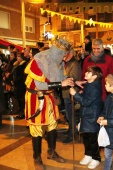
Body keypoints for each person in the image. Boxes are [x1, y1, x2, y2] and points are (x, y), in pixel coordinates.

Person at [24, 36, 75, 170]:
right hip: (35, 98)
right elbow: (40, 85)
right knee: (37, 129)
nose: (65, 58)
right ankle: (37, 158)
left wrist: (72, 81)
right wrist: (61, 83)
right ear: (57, 52)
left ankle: (51, 152)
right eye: (64, 55)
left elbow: (61, 77)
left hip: (49, 96)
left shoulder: (57, 61)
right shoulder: (39, 60)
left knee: (52, 125)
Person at [70, 66, 103, 169]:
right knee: (86, 137)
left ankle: (96, 157)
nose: (86, 73)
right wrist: (81, 94)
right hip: (86, 114)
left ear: (95, 76)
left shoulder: (95, 87)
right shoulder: (89, 84)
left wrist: (75, 94)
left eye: (89, 72)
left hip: (92, 115)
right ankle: (88, 154)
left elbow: (87, 102)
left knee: (93, 138)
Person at [62, 48, 82, 144]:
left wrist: (62, 79)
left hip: (71, 94)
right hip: (66, 93)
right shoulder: (67, 63)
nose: (64, 56)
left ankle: (72, 134)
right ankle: (70, 129)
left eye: (65, 53)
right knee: (68, 114)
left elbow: (74, 79)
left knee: (71, 116)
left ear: (71, 54)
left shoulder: (74, 65)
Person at [12, 52, 27, 119]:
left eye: (19, 56)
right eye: (17, 56)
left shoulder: (23, 64)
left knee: (21, 100)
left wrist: (15, 81)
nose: (17, 58)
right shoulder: (18, 64)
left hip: (21, 84)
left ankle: (22, 113)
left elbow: (21, 75)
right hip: (17, 84)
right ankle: (21, 112)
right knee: (19, 99)